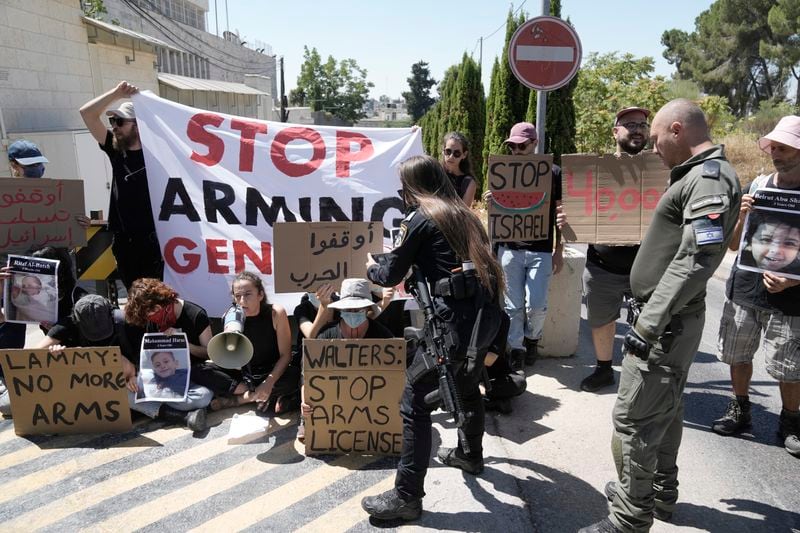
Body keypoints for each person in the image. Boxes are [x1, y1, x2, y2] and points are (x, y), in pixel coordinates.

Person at [579, 99, 741, 533]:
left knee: (632, 419)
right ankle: (659, 494)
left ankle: (630, 517)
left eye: (655, 138)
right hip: (669, 319)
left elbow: (695, 259)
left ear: (675, 130)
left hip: (665, 323)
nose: (653, 147)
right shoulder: (699, 176)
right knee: (665, 411)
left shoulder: (708, 180)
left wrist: (648, 323)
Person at [361, 155, 504, 522]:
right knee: (468, 386)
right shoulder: (466, 215)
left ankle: (407, 496)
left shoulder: (422, 218)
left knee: (413, 402)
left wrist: (370, 265)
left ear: (412, 187)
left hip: (452, 326)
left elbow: (390, 273)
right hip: (481, 321)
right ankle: (470, 455)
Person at [711, 115, 800, 459]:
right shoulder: (758, 186)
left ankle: (790, 422)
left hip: (791, 299)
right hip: (746, 289)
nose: (776, 152)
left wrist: (794, 279)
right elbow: (733, 246)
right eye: (773, 146)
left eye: (784, 147)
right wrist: (743, 216)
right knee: (737, 355)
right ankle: (740, 409)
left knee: (788, 367)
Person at [37, 293, 210, 431]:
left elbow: (149, 358)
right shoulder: (67, 325)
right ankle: (181, 418)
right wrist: (58, 353)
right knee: (121, 395)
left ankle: (146, 408)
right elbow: (34, 354)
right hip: (99, 389)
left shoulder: (128, 322)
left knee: (203, 396)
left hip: (134, 382)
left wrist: (134, 373)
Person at [581, 107, 651, 392]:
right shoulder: (595, 170)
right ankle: (604, 370)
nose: (637, 129)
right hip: (602, 266)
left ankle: (643, 378)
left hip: (646, 269)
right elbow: (581, 211)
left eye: (642, 125)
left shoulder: (662, 171)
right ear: (615, 132)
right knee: (601, 320)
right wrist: (568, 221)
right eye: (630, 124)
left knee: (649, 327)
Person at [484, 122, 564, 371]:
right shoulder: (503, 171)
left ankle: (532, 338)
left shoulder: (553, 173)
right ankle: (516, 349)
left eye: (522, 146)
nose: (517, 151)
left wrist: (559, 250)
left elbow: (560, 213)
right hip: (509, 249)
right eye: (513, 147)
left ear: (535, 143)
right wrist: (491, 202)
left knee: (536, 305)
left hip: (540, 249)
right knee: (512, 305)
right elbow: (498, 217)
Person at [79, 81, 163, 288]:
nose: (114, 127)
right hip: (124, 242)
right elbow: (87, 114)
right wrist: (116, 93)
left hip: (156, 241)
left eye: (119, 121)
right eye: (112, 121)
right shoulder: (116, 150)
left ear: (138, 124)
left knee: (158, 300)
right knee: (135, 300)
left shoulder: (160, 156)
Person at [296, 278, 392, 441]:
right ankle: (306, 422)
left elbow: (394, 379)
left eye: (358, 309)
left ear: (368, 309)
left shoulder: (383, 336)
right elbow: (309, 375)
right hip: (333, 402)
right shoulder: (326, 335)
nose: (353, 314)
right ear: (341, 309)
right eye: (349, 309)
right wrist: (305, 402)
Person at [192, 271, 300, 413]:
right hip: (245, 375)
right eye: (238, 296)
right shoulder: (230, 316)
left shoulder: (275, 313)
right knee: (200, 370)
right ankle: (257, 396)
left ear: (260, 295)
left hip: (270, 371)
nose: (242, 301)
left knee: (295, 375)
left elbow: (286, 356)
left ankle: (239, 399)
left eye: (248, 294)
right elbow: (230, 360)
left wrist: (268, 383)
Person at [440, 132, 477, 207]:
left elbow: (463, 213)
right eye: (448, 151)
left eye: (456, 153)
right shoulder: (434, 173)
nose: (451, 157)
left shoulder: (468, 183)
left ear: (464, 155)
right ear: (443, 151)